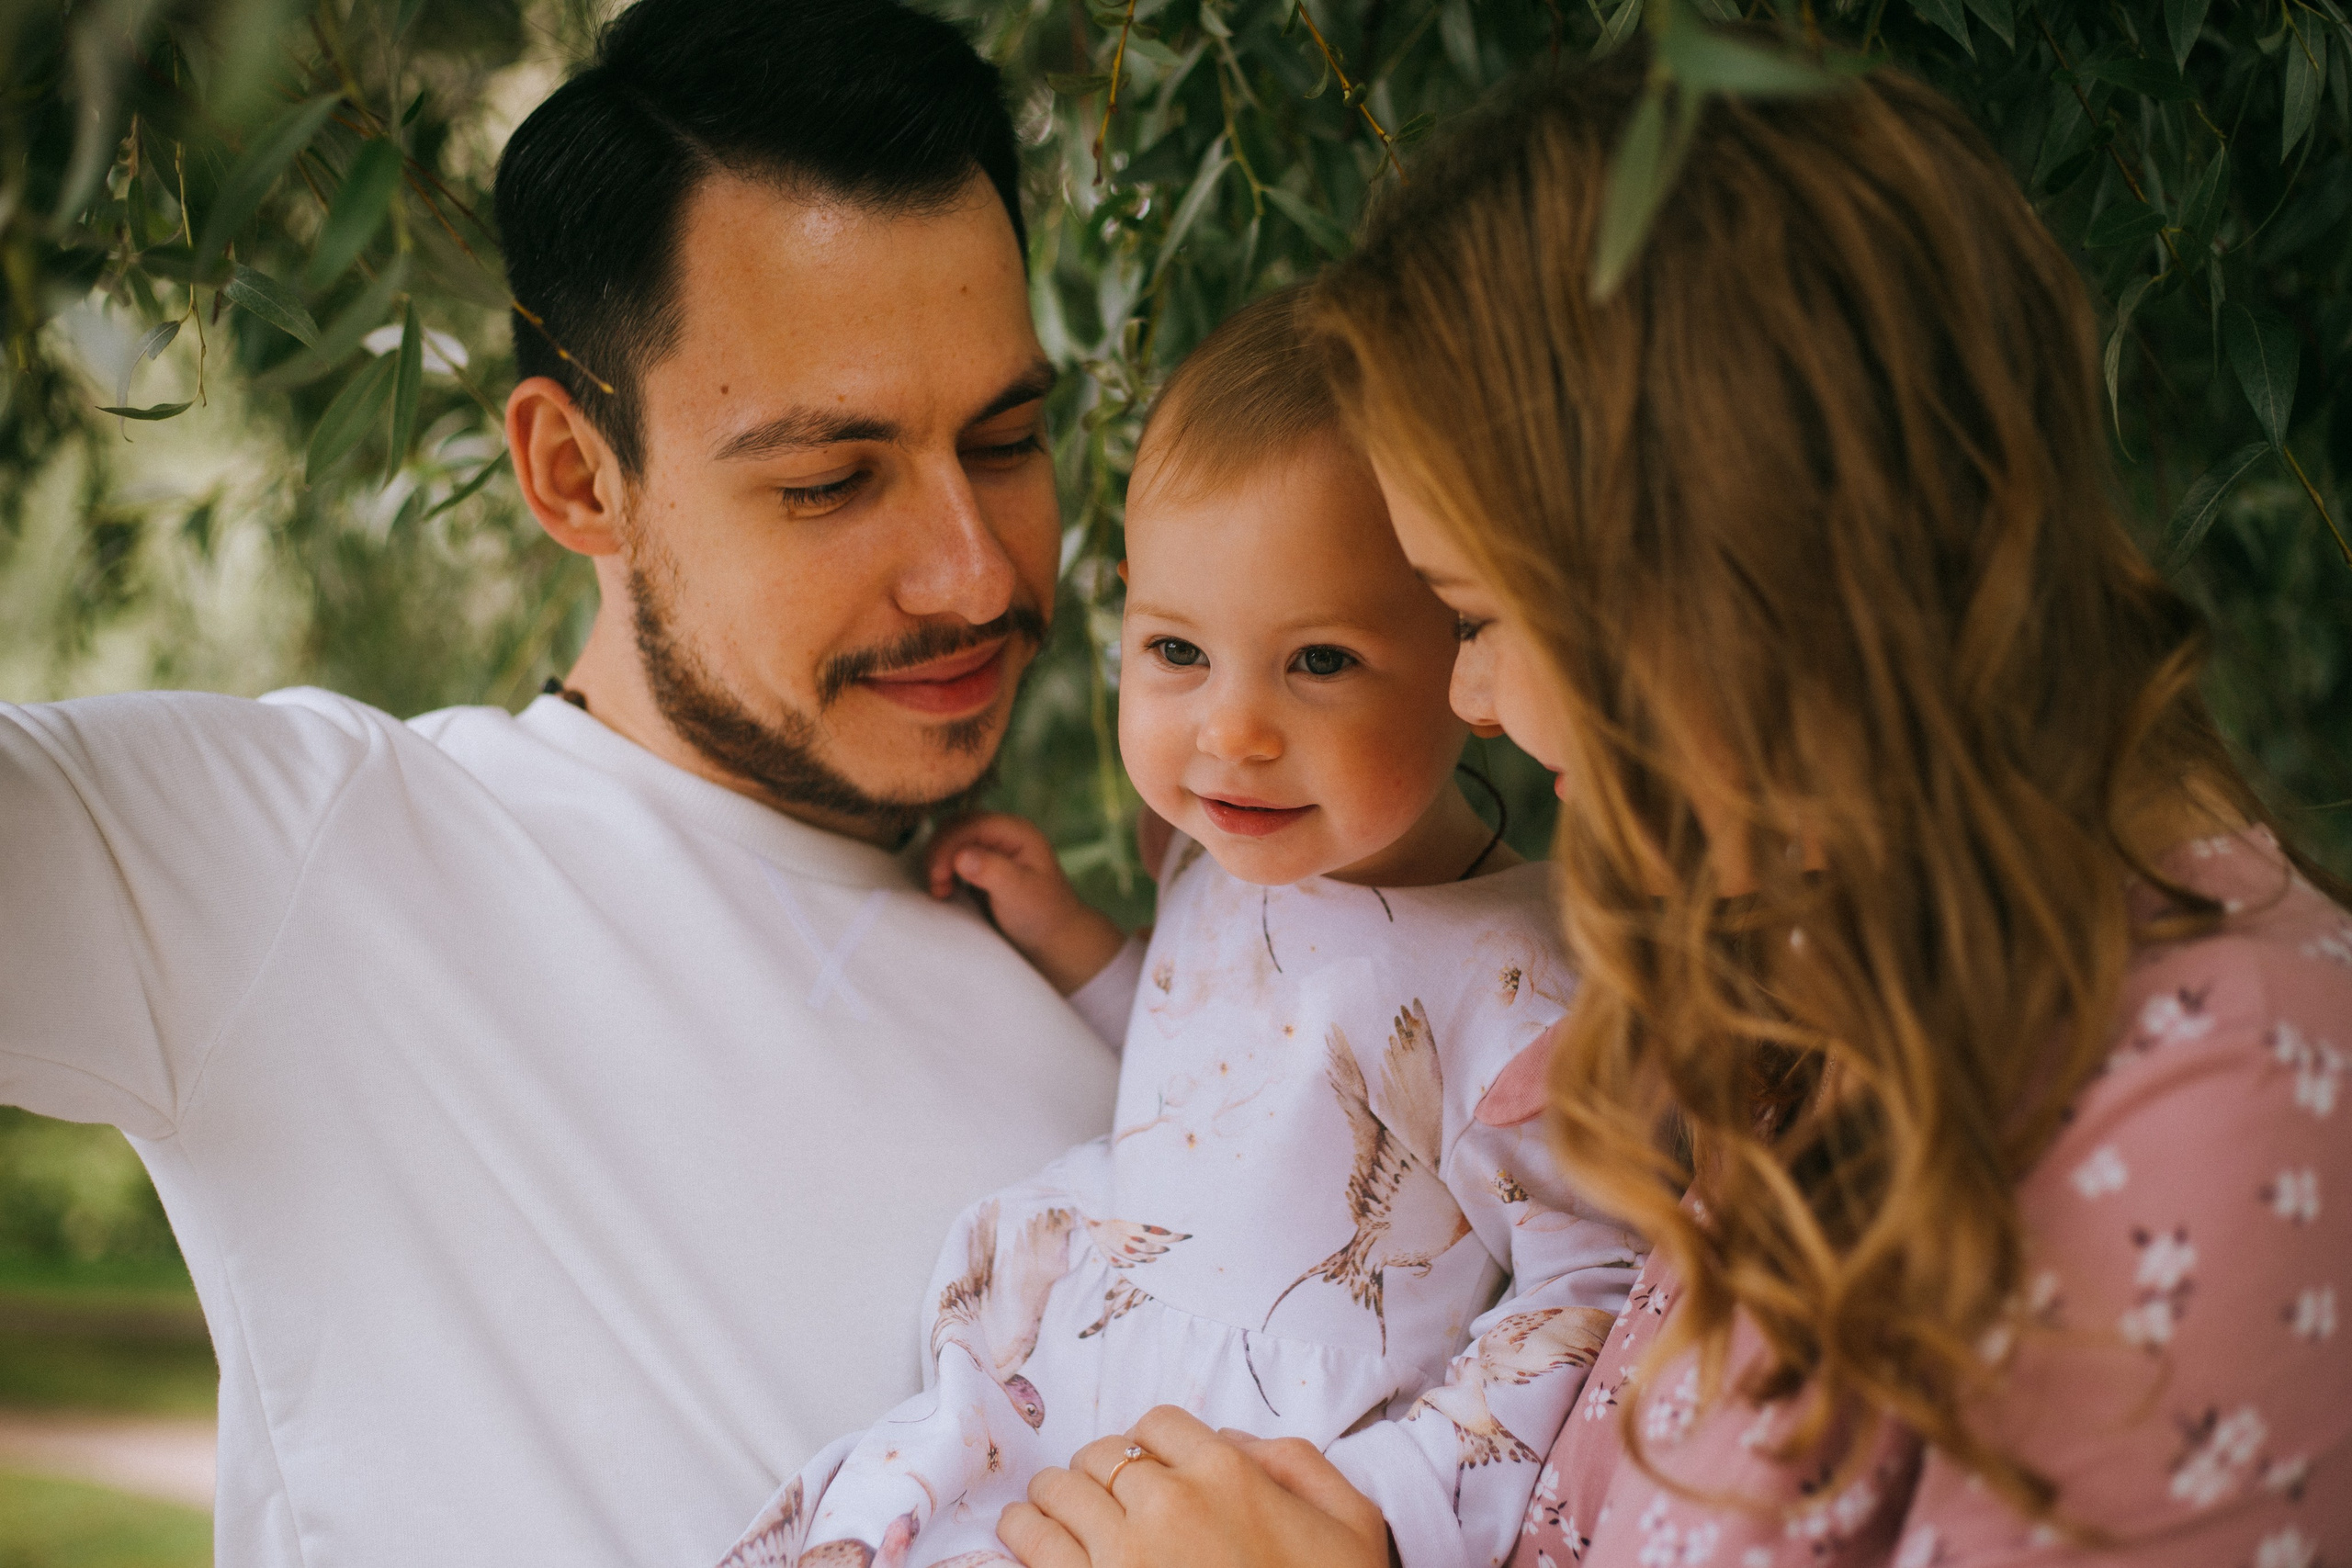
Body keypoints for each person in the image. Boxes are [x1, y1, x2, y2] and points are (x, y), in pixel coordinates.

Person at [992, 42, 2352, 1568]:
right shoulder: (1809, 974)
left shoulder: (2239, 1104)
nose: (1470, 698)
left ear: (1709, 580)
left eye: (1478, 614)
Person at [0, 2, 1125, 1563]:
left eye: (1005, 440)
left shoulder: (1137, 1020)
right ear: (576, 477)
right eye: (830, 481)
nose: (975, 568)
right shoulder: (312, 869)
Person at [717, 290, 1641, 1568]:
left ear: (1465, 649)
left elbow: (1592, 1296)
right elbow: (1217, 1075)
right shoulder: (1219, 855)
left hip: (1248, 1479)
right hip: (1045, 1393)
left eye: (1318, 661)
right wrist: (1077, 947)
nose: (1232, 731)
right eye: (1176, 650)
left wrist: (1377, 1510)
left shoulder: (1516, 979)